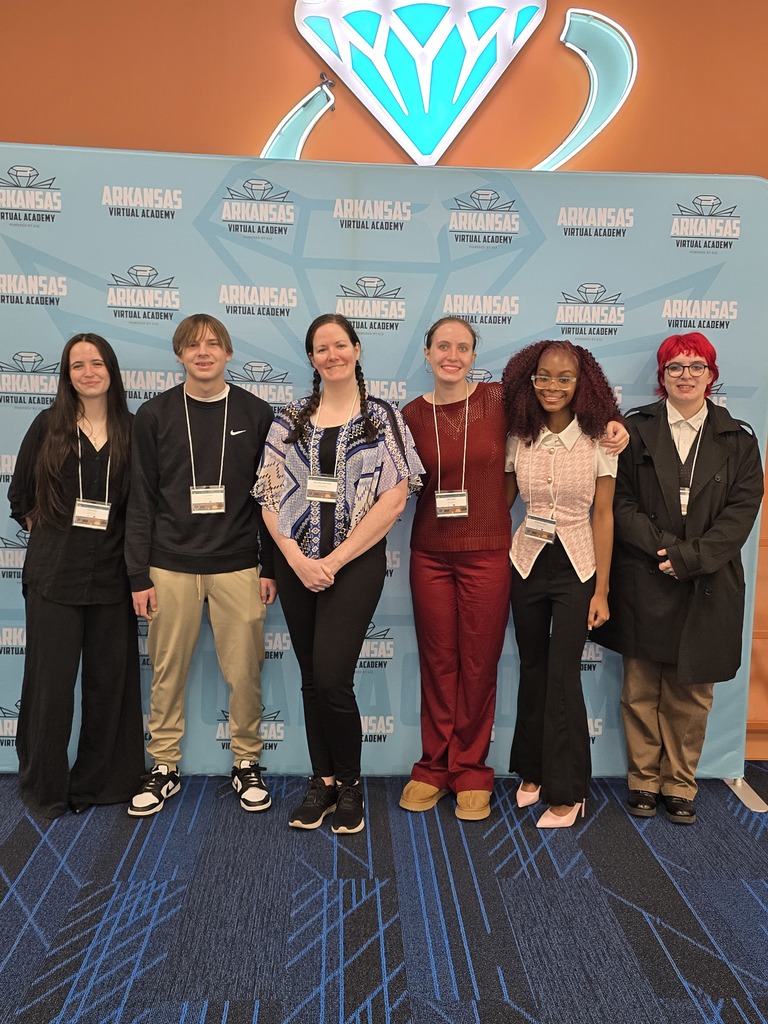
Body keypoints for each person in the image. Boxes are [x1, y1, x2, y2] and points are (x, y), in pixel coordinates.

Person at [253, 313, 423, 835]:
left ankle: (350, 786)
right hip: (296, 562)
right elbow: (268, 494)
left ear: (357, 348)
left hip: (354, 565)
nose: (332, 355)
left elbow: (396, 498)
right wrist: (295, 557)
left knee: (332, 678)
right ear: (311, 359)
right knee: (310, 679)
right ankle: (322, 782)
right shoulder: (290, 419)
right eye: (321, 348)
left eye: (340, 345)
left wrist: (333, 561)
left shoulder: (382, 417)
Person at [599, 332, 763, 825]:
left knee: (692, 692)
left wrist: (689, 558)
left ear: (711, 375)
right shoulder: (634, 431)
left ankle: (679, 783)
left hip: (707, 580)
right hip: (646, 575)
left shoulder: (739, 439)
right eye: (675, 367)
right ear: (662, 375)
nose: (686, 375)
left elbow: (741, 513)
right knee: (640, 687)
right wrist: (666, 552)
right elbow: (619, 503)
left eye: (696, 366)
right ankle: (643, 780)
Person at [125, 313, 276, 817]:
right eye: (192, 345)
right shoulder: (154, 414)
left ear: (228, 353)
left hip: (238, 564)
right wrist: (138, 574)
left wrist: (270, 568)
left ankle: (247, 761)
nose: (203, 352)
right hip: (169, 565)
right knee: (167, 671)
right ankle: (163, 765)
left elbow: (270, 499)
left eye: (213, 344)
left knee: (245, 671)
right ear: (180, 355)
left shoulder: (257, 413)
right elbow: (141, 500)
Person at [8, 333, 144, 818]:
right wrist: (56, 537)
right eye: (77, 365)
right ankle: (44, 788)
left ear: (111, 370)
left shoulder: (133, 429)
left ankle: (99, 784)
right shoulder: (48, 425)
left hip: (113, 579)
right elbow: (20, 497)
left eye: (96, 363)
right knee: (50, 686)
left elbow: (141, 507)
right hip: (54, 578)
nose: (88, 372)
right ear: (67, 376)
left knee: (110, 685)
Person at [398, 317, 513, 822]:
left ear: (473, 357)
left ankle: (470, 770)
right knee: (438, 661)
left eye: (462, 347)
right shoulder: (409, 415)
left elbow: (561, 410)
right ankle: (434, 766)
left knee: (479, 663)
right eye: (442, 346)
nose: (452, 355)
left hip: (487, 551)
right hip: (430, 553)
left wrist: (612, 424)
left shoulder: (498, 400)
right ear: (427, 354)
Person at [503, 340, 620, 828]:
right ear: (529, 381)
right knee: (532, 667)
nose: (552, 386)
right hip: (526, 562)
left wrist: (602, 590)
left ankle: (568, 790)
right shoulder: (519, 436)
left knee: (563, 673)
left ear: (582, 384)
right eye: (543, 377)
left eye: (564, 378)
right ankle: (531, 771)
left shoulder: (601, 439)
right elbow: (501, 501)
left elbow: (604, 515)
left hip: (577, 566)